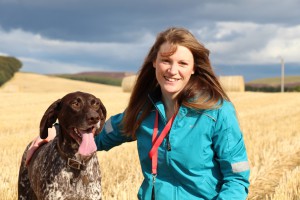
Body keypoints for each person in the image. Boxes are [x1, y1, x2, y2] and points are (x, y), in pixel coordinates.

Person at [26, 27, 250, 199]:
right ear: (155, 63)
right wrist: (55, 132)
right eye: (166, 61)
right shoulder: (143, 110)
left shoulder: (218, 112)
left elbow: (237, 179)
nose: (172, 70)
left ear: (194, 68)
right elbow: (100, 135)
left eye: (182, 63)